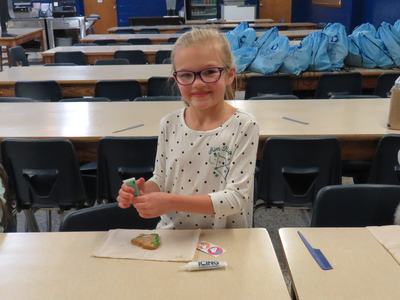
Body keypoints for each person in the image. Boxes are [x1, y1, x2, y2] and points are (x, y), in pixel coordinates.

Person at [117, 28, 259, 229]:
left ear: (230, 75)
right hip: (175, 235)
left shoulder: (244, 126)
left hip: (224, 240)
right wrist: (142, 190)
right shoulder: (169, 123)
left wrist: (170, 201)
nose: (198, 83)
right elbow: (162, 179)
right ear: (176, 79)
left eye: (209, 72)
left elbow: (235, 198)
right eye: (186, 75)